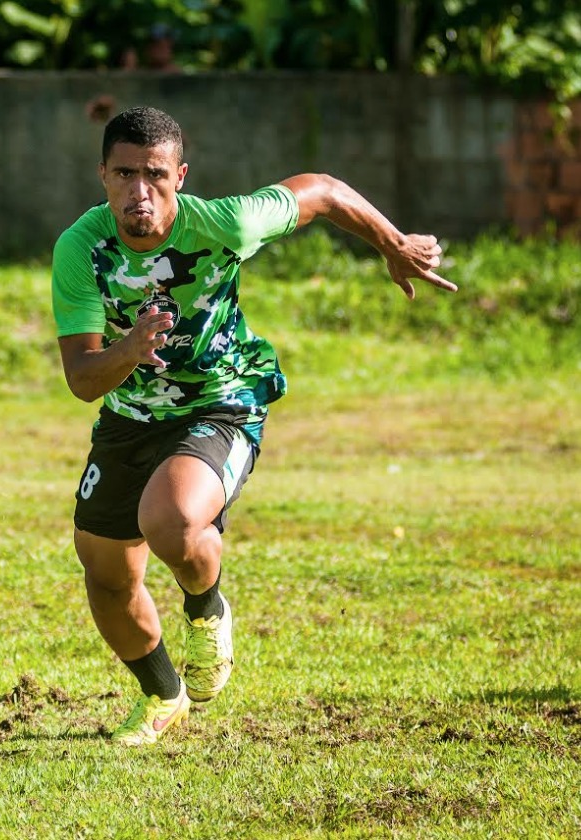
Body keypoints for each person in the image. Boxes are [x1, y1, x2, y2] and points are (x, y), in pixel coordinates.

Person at [50, 106, 455, 747]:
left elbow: (320, 190)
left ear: (179, 176)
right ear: (101, 175)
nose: (139, 191)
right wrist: (128, 350)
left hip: (222, 400)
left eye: (154, 174)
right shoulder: (81, 248)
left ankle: (206, 608)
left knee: (171, 519)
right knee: (104, 573)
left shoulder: (227, 223)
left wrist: (393, 244)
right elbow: (81, 378)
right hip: (130, 414)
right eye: (124, 174)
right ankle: (162, 694)